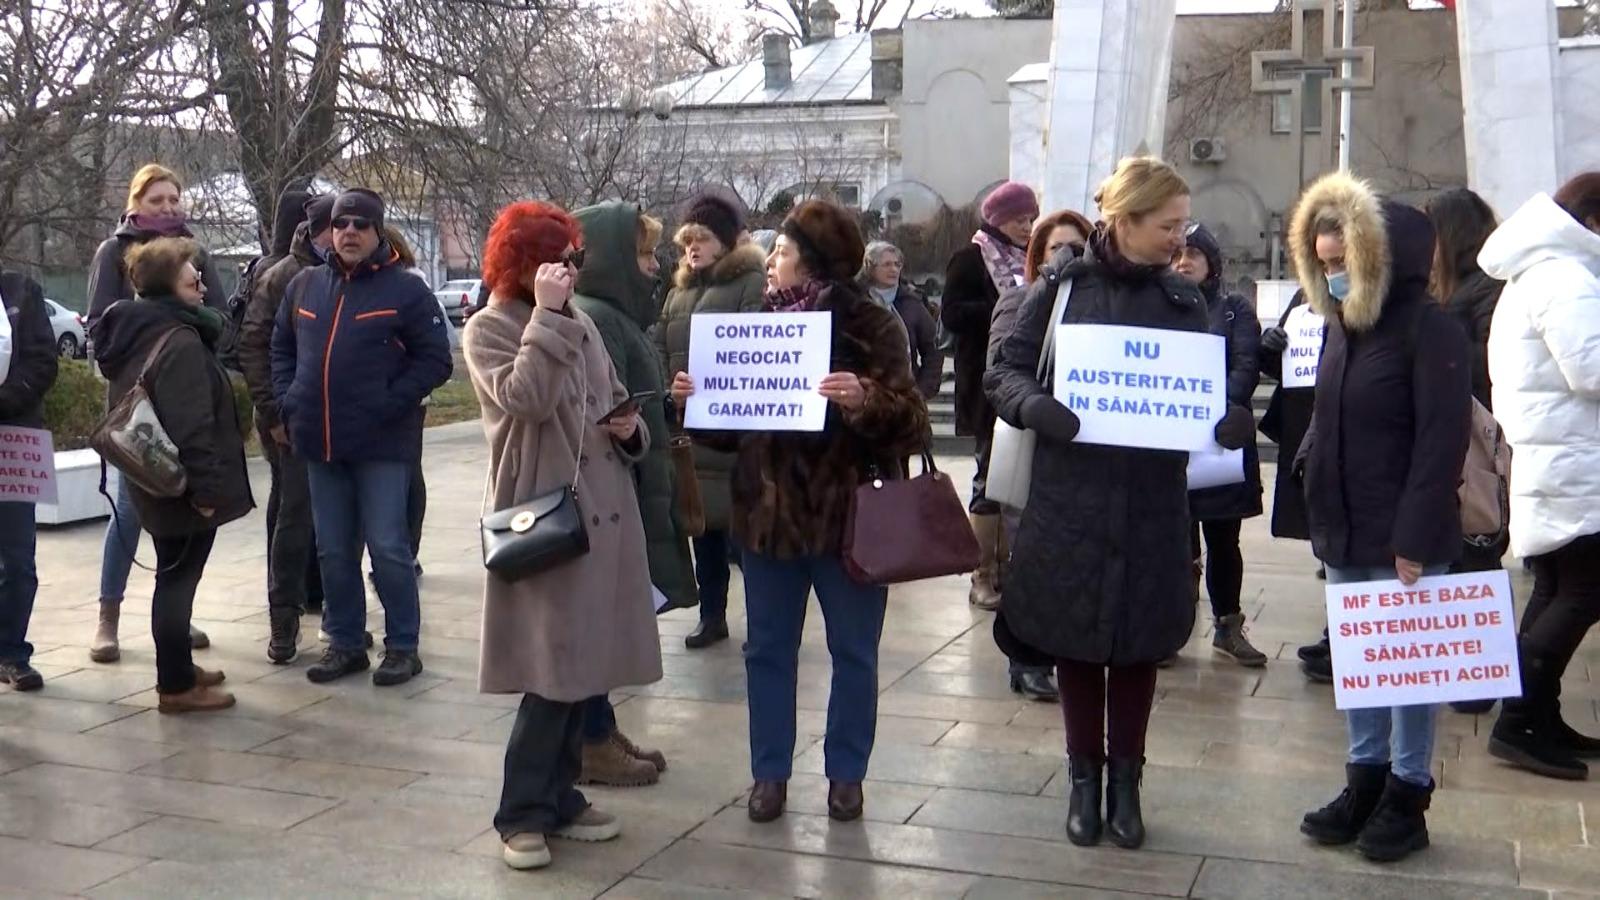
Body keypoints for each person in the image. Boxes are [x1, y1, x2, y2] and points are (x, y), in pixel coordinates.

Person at [985, 157, 1255, 850]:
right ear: (1124, 221)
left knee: (1137, 646)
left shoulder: (1182, 300)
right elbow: (1004, 371)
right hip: (1071, 499)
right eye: (1167, 226)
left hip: (1153, 503)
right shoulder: (1063, 290)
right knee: (1077, 643)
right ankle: (1083, 779)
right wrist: (1036, 407)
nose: (1179, 239)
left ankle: (1126, 784)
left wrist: (1227, 418)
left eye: (1183, 227)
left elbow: (1203, 388)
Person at [671, 200, 928, 824]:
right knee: (767, 651)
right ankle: (769, 775)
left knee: (855, 652)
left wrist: (866, 399)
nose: (770, 263)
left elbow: (913, 422)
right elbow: (734, 436)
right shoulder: (757, 320)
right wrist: (700, 403)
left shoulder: (871, 323)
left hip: (851, 521)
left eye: (781, 252)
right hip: (768, 519)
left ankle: (846, 776)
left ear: (811, 260)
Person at [463, 200, 664, 871]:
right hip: (543, 516)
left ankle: (561, 798)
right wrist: (546, 318)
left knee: (585, 670)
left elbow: (608, 398)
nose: (572, 271)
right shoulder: (490, 327)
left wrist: (631, 430)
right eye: (561, 259)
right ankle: (520, 812)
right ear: (527, 263)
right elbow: (524, 400)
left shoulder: (580, 321)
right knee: (550, 673)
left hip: (603, 513)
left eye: (575, 259)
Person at [1291, 172, 1471, 863]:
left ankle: (1408, 791)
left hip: (1403, 540)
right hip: (1344, 527)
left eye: (1342, 264)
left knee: (1410, 674)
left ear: (1377, 259)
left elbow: (1440, 443)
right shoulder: (1341, 329)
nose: (1332, 277)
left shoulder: (1432, 329)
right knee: (1361, 666)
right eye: (1324, 265)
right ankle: (1363, 780)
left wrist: (1417, 538)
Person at [270, 189, 452, 687]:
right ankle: (345, 643)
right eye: (341, 223)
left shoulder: (406, 291)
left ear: (377, 234)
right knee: (332, 548)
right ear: (328, 231)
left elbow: (436, 360)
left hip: (381, 447)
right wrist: (290, 398)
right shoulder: (305, 286)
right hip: (320, 442)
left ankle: (402, 646)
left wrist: (390, 403)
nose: (350, 232)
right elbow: (281, 346)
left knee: (388, 547)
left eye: (361, 225)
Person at [89, 238, 256, 712]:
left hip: (153, 482)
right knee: (178, 583)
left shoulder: (134, 328)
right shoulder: (179, 339)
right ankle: (176, 688)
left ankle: (179, 668)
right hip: (182, 487)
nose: (203, 285)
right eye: (192, 278)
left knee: (173, 575)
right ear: (168, 285)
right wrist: (206, 491)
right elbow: (194, 426)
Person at [1479, 173, 1600, 780]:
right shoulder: (1564, 275)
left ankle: (1535, 717)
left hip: (1559, 456)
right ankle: (1519, 720)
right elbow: (1592, 367)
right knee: (1584, 587)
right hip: (1571, 460)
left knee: (1558, 585)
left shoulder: (1543, 269)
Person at [570, 200, 690, 787]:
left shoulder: (616, 315)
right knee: (602, 625)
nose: (653, 265)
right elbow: (604, 409)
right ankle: (591, 738)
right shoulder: (597, 317)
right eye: (642, 253)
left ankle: (600, 725)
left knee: (611, 623)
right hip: (615, 497)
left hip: (630, 488)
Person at [86, 163, 225, 663]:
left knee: (182, 518)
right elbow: (101, 334)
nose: (167, 208)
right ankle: (109, 616)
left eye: (174, 199)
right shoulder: (114, 252)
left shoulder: (196, 253)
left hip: (185, 394)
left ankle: (174, 621)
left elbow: (220, 320)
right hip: (137, 405)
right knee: (130, 511)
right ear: (135, 204)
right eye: (157, 200)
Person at [987, 209, 1094, 704]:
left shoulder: (1102, 303)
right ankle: (1025, 657)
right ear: (1039, 257)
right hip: (1036, 440)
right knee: (1028, 551)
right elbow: (1001, 367)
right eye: (1058, 249)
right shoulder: (1019, 299)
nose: (1070, 256)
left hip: (1085, 448)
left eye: (1080, 247)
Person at [653, 191, 766, 649]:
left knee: (745, 531)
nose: (691, 250)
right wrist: (670, 389)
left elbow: (755, 346)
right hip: (691, 428)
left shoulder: (750, 283)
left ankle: (763, 620)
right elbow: (658, 344)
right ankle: (712, 614)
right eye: (685, 243)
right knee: (705, 528)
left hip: (735, 432)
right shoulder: (678, 291)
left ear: (725, 242)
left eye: (700, 240)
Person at [240, 190, 334, 664]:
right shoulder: (284, 276)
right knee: (294, 513)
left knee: (327, 516)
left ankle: (331, 611)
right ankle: (284, 619)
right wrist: (275, 413)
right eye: (335, 227)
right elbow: (253, 346)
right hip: (291, 417)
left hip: (338, 417)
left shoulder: (343, 270)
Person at [1172, 223, 1268, 668]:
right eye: (1176, 254)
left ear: (1212, 262)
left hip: (1221, 441)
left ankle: (1228, 625)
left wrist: (1219, 410)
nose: (1184, 261)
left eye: (1193, 253)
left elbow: (1246, 364)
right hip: (1174, 444)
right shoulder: (1159, 305)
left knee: (1224, 539)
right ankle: (1173, 623)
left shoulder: (1233, 309)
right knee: (1175, 539)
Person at [942, 181, 1038, 612]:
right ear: (998, 220)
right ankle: (983, 573)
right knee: (989, 474)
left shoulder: (1035, 259)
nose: (1027, 226)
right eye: (1020, 219)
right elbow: (952, 314)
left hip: (1027, 380)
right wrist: (1008, 307)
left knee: (1019, 478)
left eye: (1032, 218)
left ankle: (1016, 566)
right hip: (984, 385)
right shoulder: (970, 258)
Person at [0, 267, 59, 692]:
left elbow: (43, 362)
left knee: (18, 559)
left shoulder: (21, 289)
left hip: (14, 440)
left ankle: (12, 653)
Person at [858, 241, 943, 399]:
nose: (894, 270)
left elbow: (933, 348)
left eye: (897, 264)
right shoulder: (856, 302)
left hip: (907, 393)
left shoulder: (912, 302)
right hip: (866, 394)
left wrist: (924, 389)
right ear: (870, 267)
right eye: (887, 264)